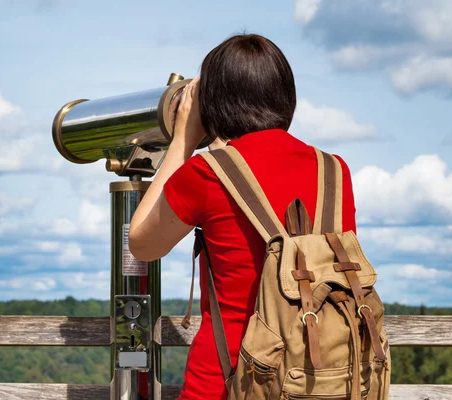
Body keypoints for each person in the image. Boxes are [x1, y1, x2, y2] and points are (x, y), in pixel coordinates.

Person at [128, 33, 357, 400]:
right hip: (319, 381)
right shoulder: (333, 171)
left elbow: (142, 244)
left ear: (213, 102)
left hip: (228, 381)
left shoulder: (207, 173)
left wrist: (183, 140)